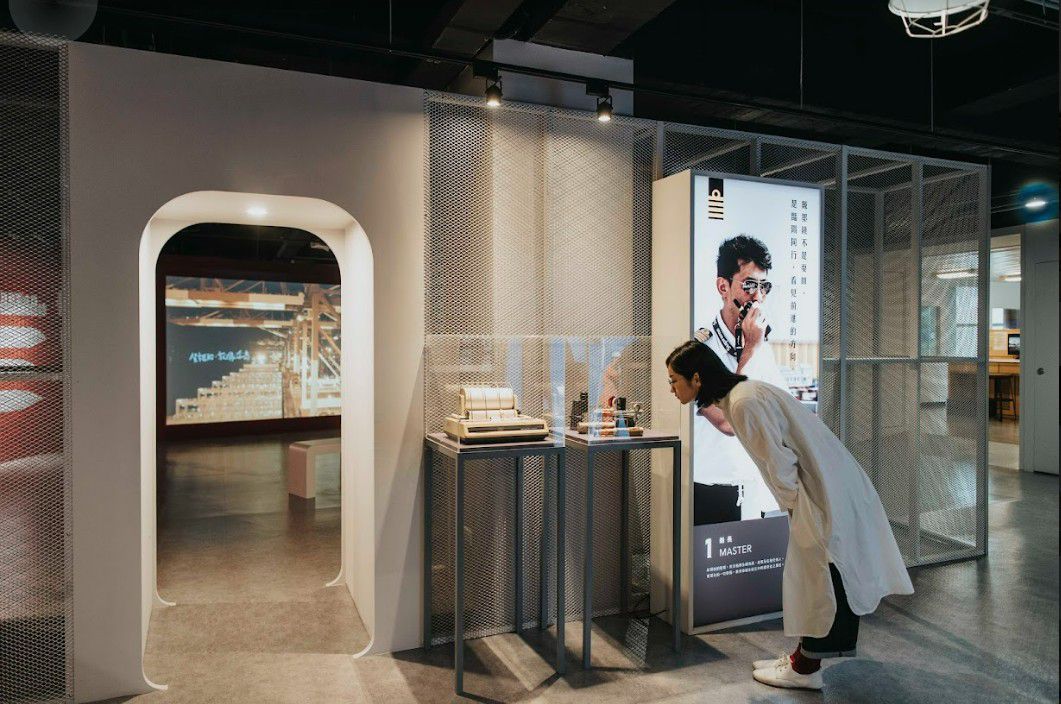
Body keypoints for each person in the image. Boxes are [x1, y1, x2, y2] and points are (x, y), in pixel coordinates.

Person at [666, 340, 914, 691]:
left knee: (819, 578)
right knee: (815, 576)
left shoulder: (744, 403)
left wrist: (797, 508)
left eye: (674, 380)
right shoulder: (743, 396)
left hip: (819, 494)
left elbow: (780, 464)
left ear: (696, 378)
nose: (672, 388)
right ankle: (802, 658)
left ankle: (806, 668)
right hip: (822, 489)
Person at [695, 235, 787, 520]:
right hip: (713, 490)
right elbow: (727, 420)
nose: (757, 297)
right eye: (749, 285)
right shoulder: (696, 352)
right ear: (723, 287)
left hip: (758, 488)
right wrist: (751, 350)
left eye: (764, 287)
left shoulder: (760, 346)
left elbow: (782, 411)